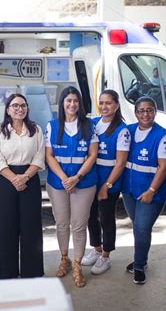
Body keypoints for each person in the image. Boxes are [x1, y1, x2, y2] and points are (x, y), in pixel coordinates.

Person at [45, 86, 98, 287]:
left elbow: (92, 154)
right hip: (58, 183)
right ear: (62, 104)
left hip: (83, 182)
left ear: (80, 104)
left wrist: (76, 177)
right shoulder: (52, 125)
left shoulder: (89, 125)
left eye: (76, 101)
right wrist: (64, 178)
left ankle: (77, 265)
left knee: (78, 225)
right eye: (68, 101)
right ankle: (64, 259)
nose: (72, 104)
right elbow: (49, 155)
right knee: (61, 223)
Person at [0, 93, 45, 279]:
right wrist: (14, 179)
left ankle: (32, 272)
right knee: (6, 226)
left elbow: (39, 156)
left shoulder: (35, 129)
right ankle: (6, 271)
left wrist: (25, 177)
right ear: (7, 110)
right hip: (6, 180)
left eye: (23, 105)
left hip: (30, 179)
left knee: (31, 227)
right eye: (15, 105)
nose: (19, 109)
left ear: (27, 108)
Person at [122, 97, 166, 284]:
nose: (145, 114)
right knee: (138, 227)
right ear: (135, 113)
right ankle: (139, 258)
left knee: (142, 228)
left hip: (151, 192)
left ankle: (140, 264)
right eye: (141, 110)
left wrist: (151, 190)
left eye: (149, 110)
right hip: (129, 189)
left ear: (155, 112)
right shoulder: (129, 130)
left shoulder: (162, 136)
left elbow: (164, 166)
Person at [82, 90, 130, 275]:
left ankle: (106, 256)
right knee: (90, 216)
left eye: (108, 103)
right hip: (91, 179)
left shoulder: (121, 130)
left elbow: (120, 163)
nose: (104, 107)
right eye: (101, 103)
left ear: (116, 105)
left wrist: (106, 186)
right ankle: (96, 249)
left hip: (109, 182)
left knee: (106, 218)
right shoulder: (93, 123)